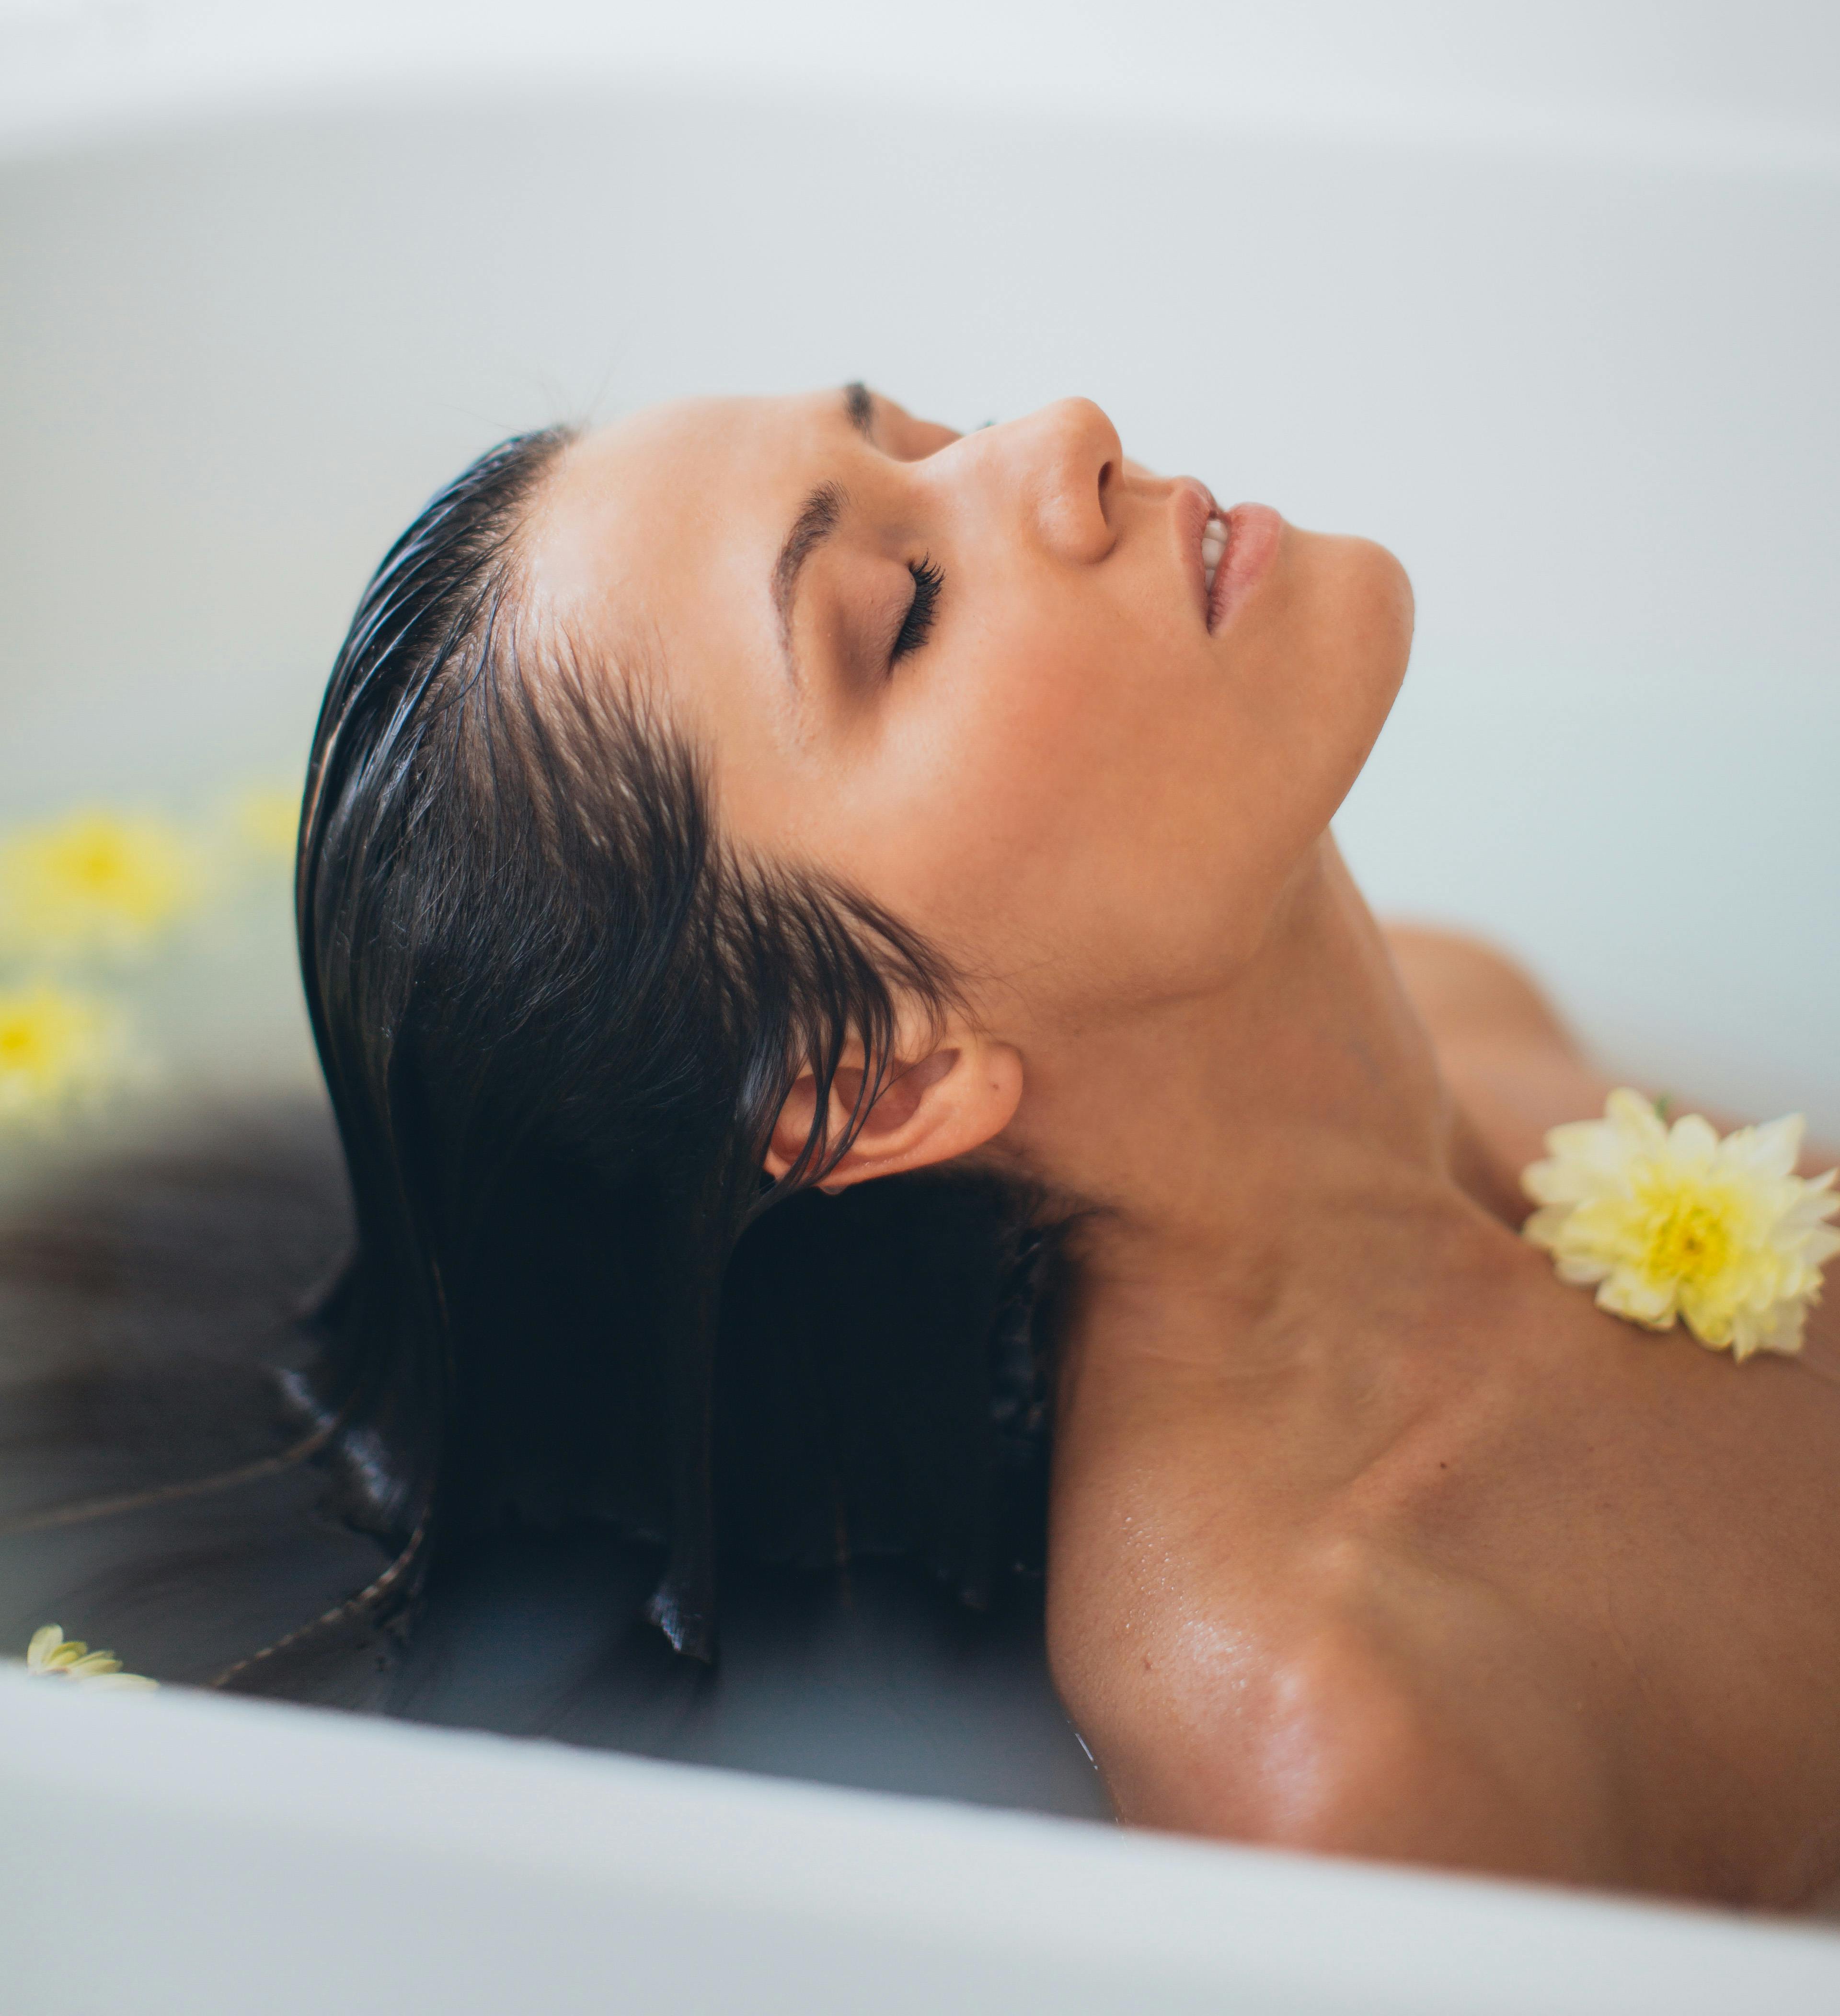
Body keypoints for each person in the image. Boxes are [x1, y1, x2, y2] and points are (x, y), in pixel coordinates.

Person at [288, 382, 1840, 1902]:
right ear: (883, 1091)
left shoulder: (1466, 994)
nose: (1061, 432)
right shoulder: (1350, 1739)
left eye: (917, 431)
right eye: (906, 608)